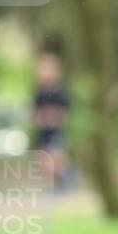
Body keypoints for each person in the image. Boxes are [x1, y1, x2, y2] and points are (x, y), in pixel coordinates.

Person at [32, 54, 71, 190]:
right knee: (45, 162)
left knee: (56, 158)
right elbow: (35, 115)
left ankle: (64, 179)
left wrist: (54, 120)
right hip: (44, 133)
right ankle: (61, 180)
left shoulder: (60, 93)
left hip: (56, 132)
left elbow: (64, 114)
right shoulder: (40, 94)